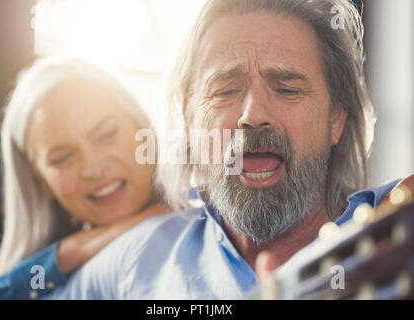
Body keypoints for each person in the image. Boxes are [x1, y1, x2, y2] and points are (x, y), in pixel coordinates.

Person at [43, 0, 410, 300]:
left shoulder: (394, 234)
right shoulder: (140, 256)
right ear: (188, 117)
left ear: (336, 119)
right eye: (225, 91)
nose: (253, 115)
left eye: (287, 89)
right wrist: (69, 253)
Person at [0, 57, 170, 299]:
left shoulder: (208, 221)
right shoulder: (47, 280)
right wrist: (68, 253)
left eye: (106, 135)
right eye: (63, 158)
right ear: (41, 182)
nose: (93, 168)